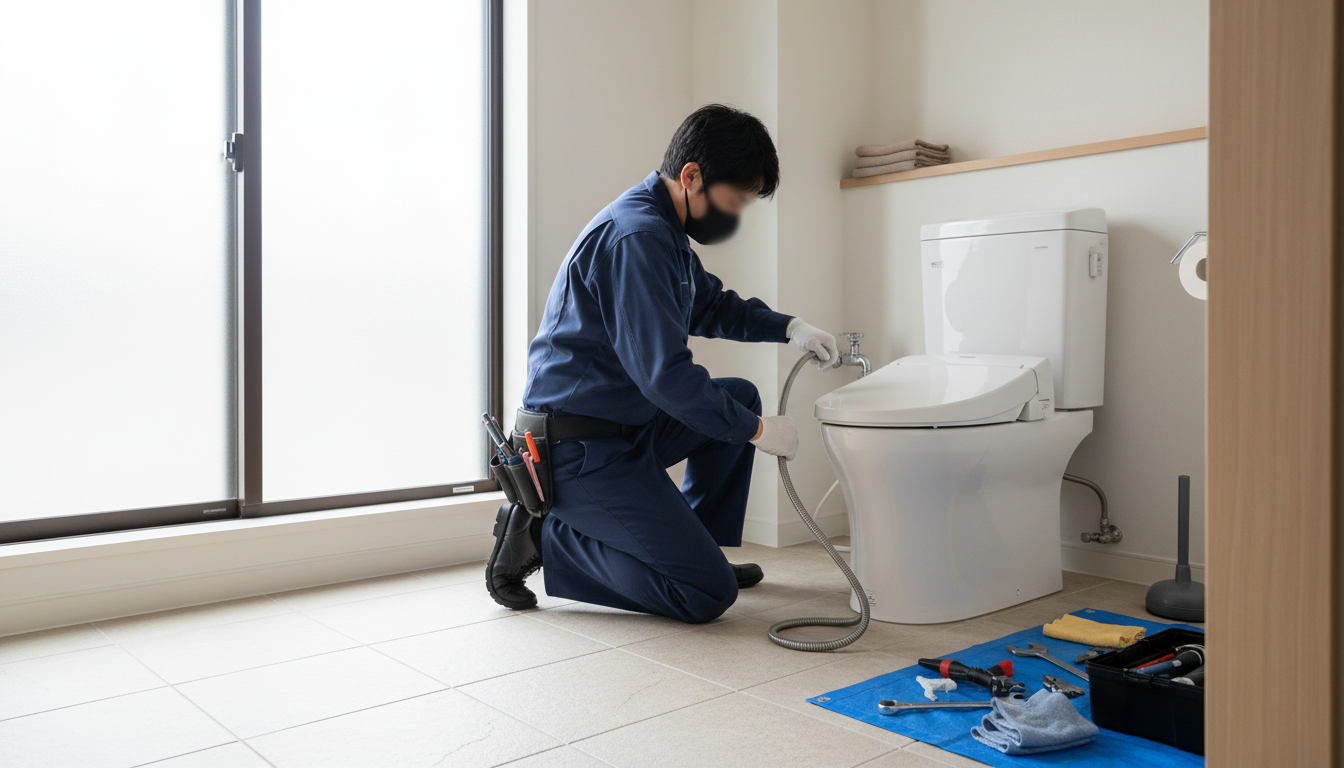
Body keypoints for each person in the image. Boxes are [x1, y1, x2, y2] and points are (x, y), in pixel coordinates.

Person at [486, 104, 838, 623]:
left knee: (737, 395)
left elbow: (711, 305)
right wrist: (759, 432)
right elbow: (666, 376)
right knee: (705, 595)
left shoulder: (663, 230)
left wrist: (790, 327)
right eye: (734, 201)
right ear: (691, 175)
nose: (736, 216)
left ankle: (692, 545)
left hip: (625, 427)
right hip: (575, 448)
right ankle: (547, 533)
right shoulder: (638, 236)